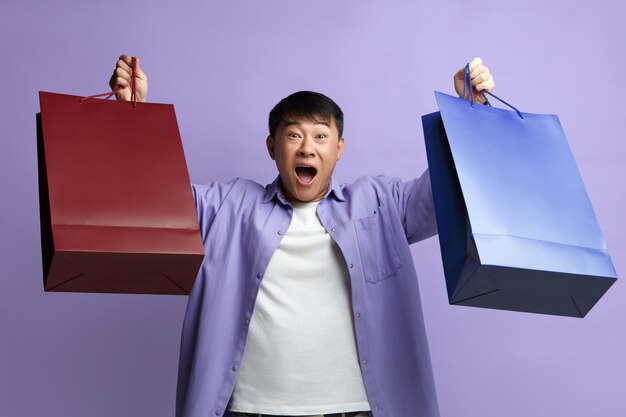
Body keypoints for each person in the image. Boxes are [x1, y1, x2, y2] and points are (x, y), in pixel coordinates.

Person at [109, 56, 494, 417]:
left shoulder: (381, 203)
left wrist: (468, 116)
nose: (307, 147)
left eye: (321, 136)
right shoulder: (226, 205)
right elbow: (154, 199)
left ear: (339, 148)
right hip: (248, 409)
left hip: (356, 409)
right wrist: (130, 119)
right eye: (293, 135)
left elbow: (445, 191)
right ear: (272, 147)